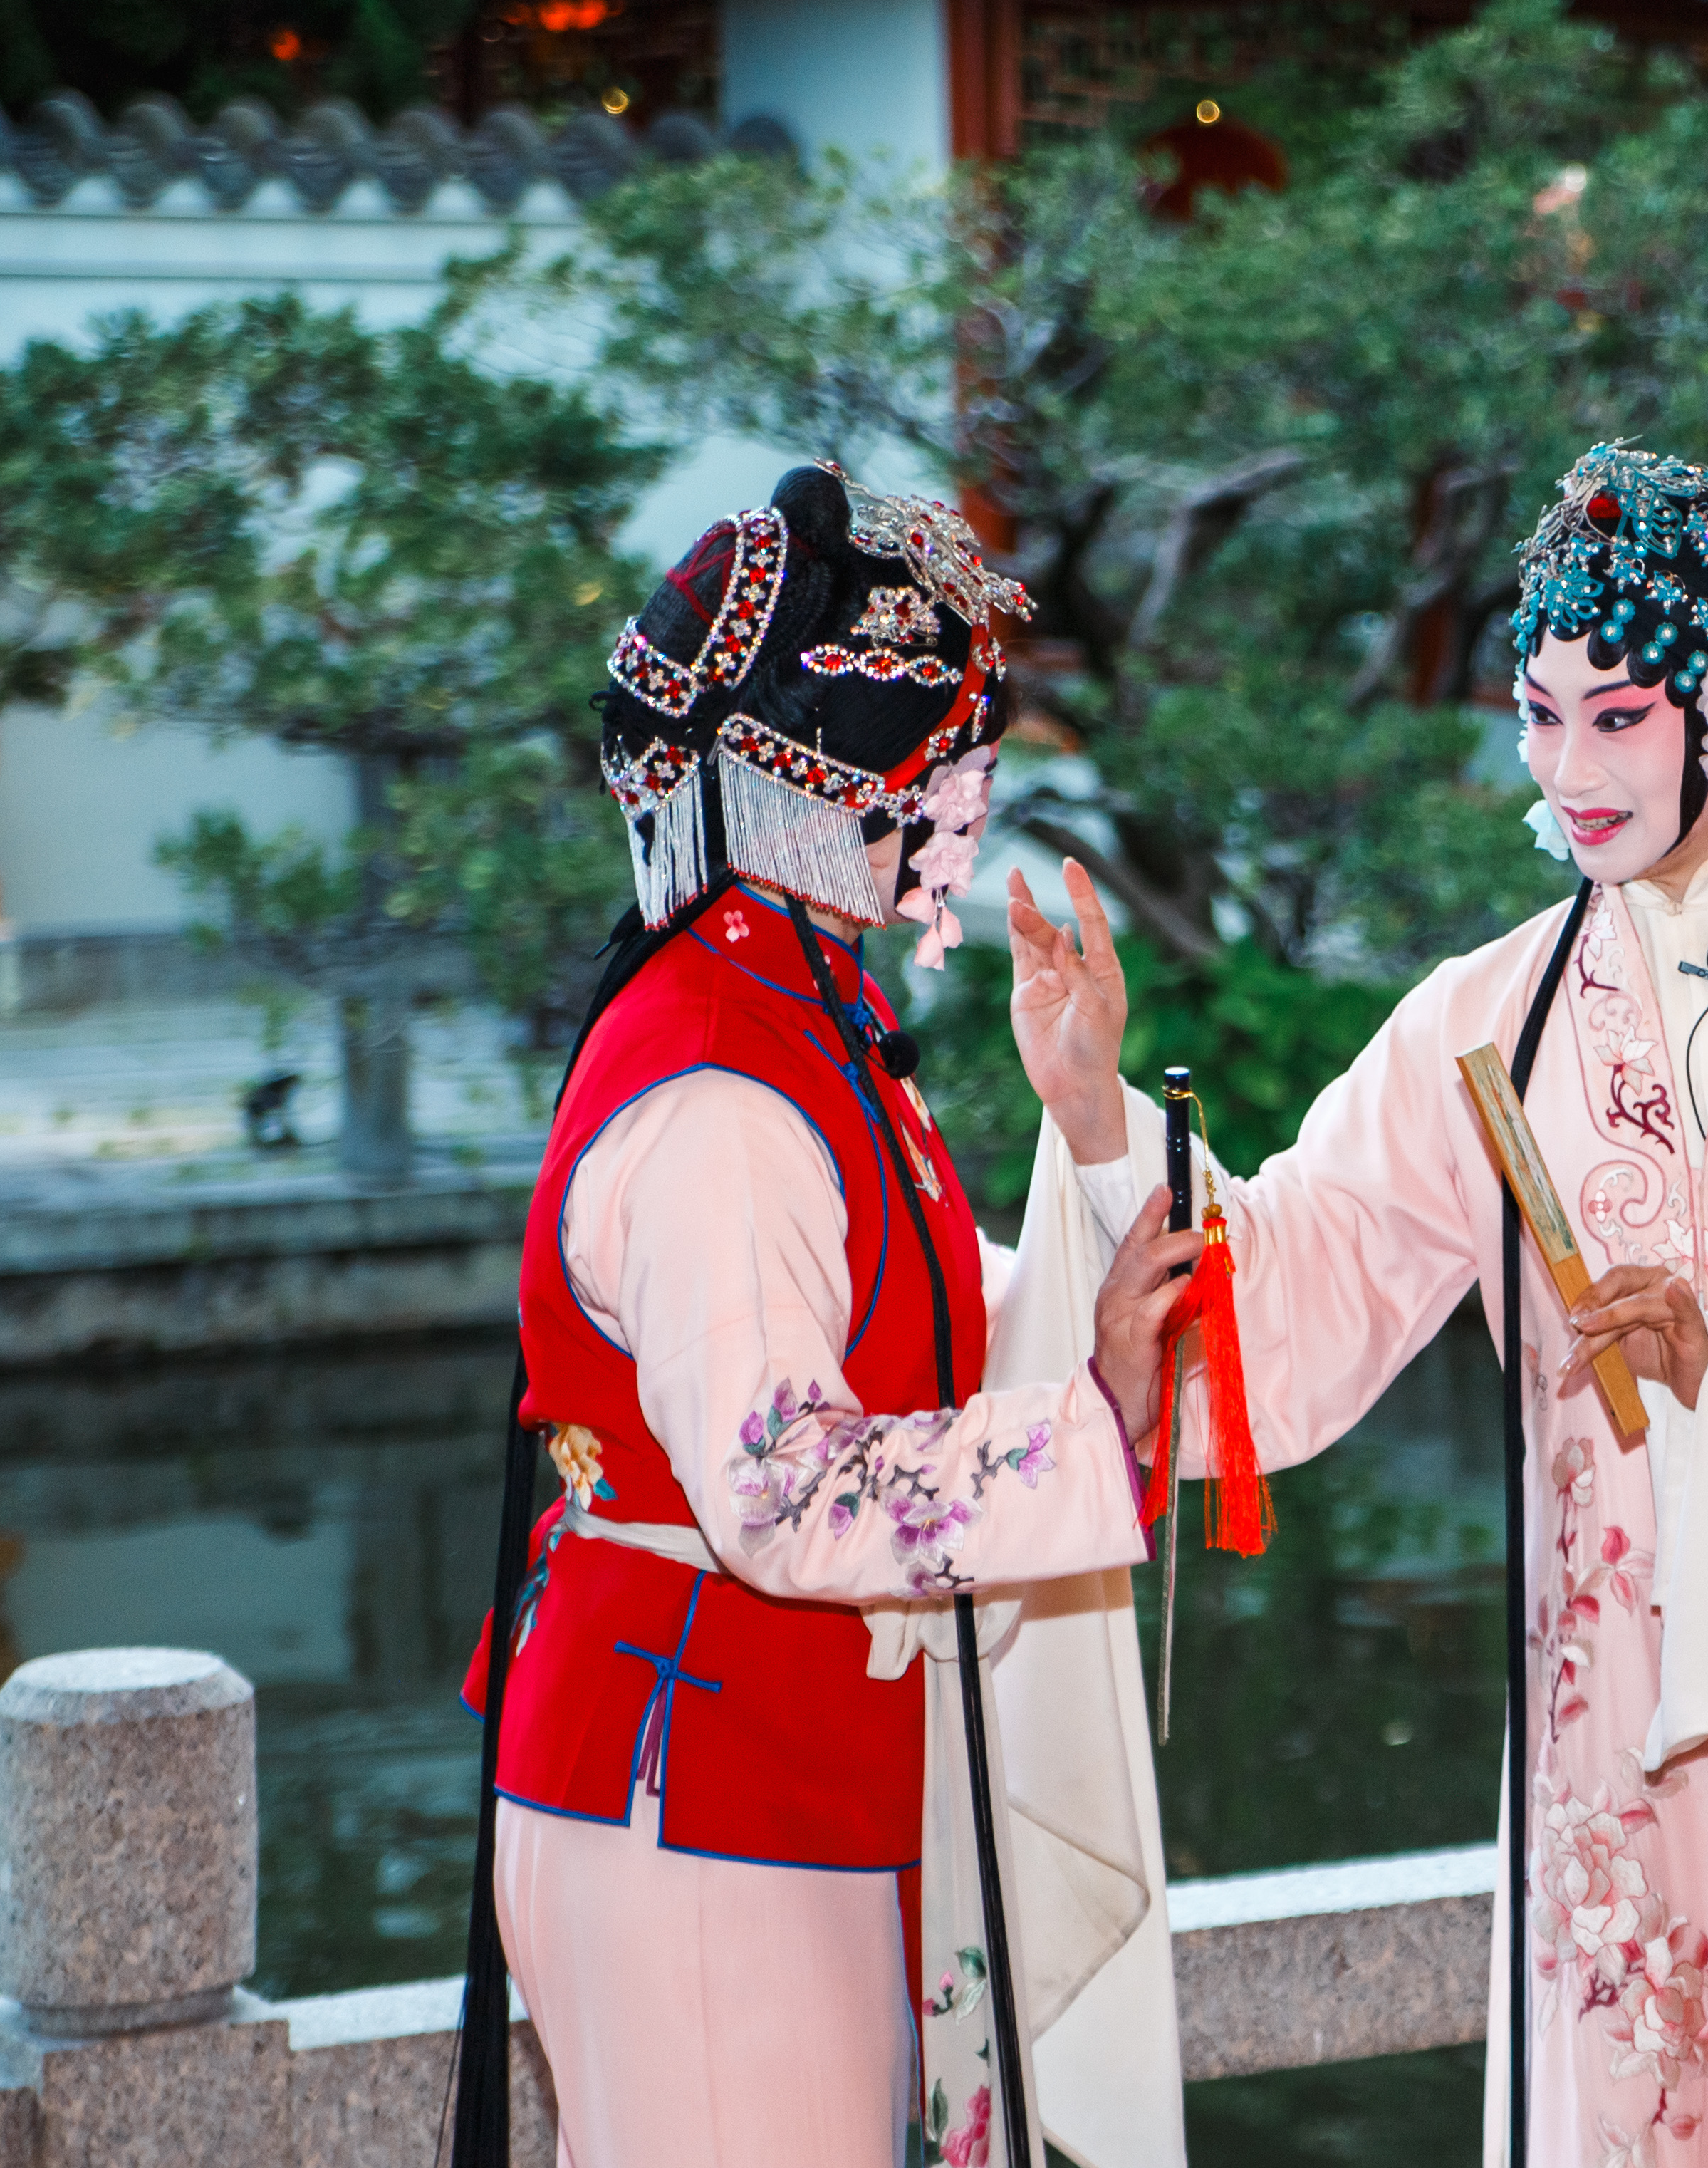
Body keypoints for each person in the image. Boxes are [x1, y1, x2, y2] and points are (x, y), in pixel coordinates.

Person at [1028, 445, 1708, 2164]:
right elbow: (1298, 1281)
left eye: (1617, 718)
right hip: (1613, 1705)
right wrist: (1104, 1116)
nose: (1565, 767)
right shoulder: (1490, 1016)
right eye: (1542, 717)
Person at [452, 463, 1190, 2168]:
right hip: (700, 1790)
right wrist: (1093, 1425)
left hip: (759, 1768)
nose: (955, 822)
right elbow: (784, 1486)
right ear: (836, 786)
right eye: (938, 779)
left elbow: (931, 1330)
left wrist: (1089, 1121)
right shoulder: (725, 1096)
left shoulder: (788, 1013)